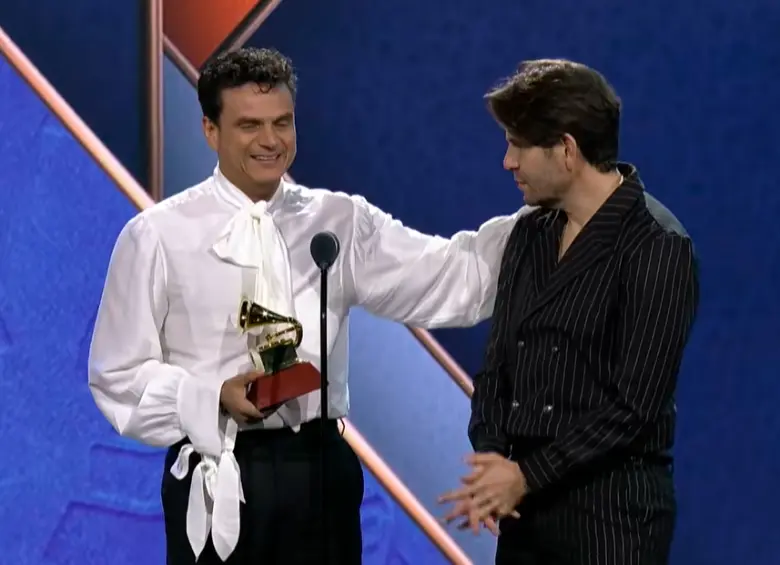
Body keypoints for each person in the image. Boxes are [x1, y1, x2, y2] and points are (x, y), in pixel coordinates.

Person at [87, 47, 522, 565]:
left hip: (320, 472)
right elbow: (116, 375)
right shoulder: (156, 235)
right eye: (249, 125)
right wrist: (213, 394)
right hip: (218, 472)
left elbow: (451, 276)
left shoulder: (337, 221)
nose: (271, 141)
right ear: (209, 130)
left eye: (283, 123)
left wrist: (544, 221)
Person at [438, 59, 699, 565]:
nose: (507, 162)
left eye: (518, 145)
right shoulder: (529, 234)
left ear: (566, 150)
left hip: (614, 523)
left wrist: (524, 476)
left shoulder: (657, 246)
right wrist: (493, 459)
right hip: (526, 517)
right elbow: (497, 370)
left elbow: (633, 408)